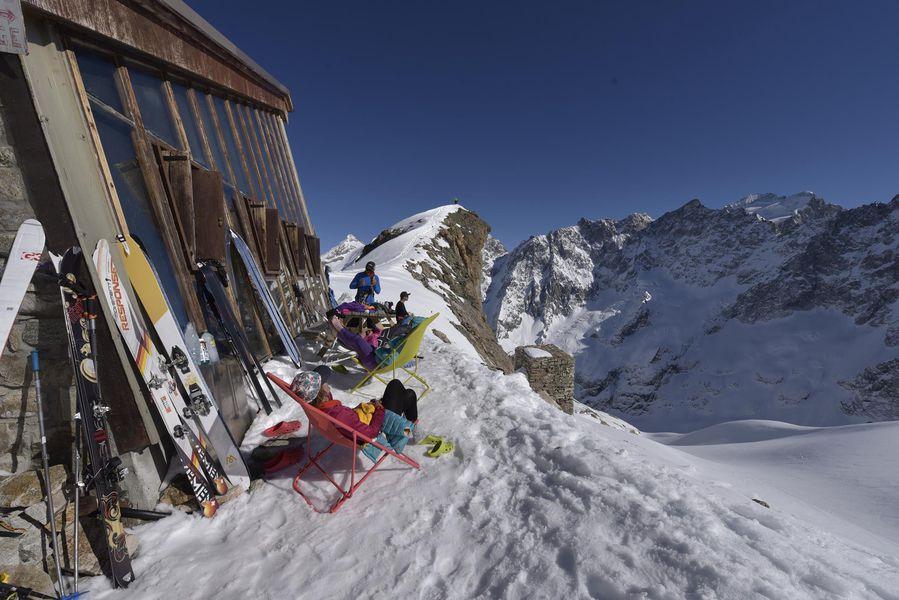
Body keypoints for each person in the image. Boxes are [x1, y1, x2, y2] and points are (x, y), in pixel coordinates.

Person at [290, 369, 417, 457]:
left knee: (400, 390)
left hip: (370, 419)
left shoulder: (324, 409)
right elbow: (370, 433)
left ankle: (409, 428)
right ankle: (409, 431)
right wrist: (379, 410)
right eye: (324, 383)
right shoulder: (338, 415)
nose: (327, 384)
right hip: (381, 427)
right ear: (321, 393)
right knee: (407, 394)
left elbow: (352, 420)